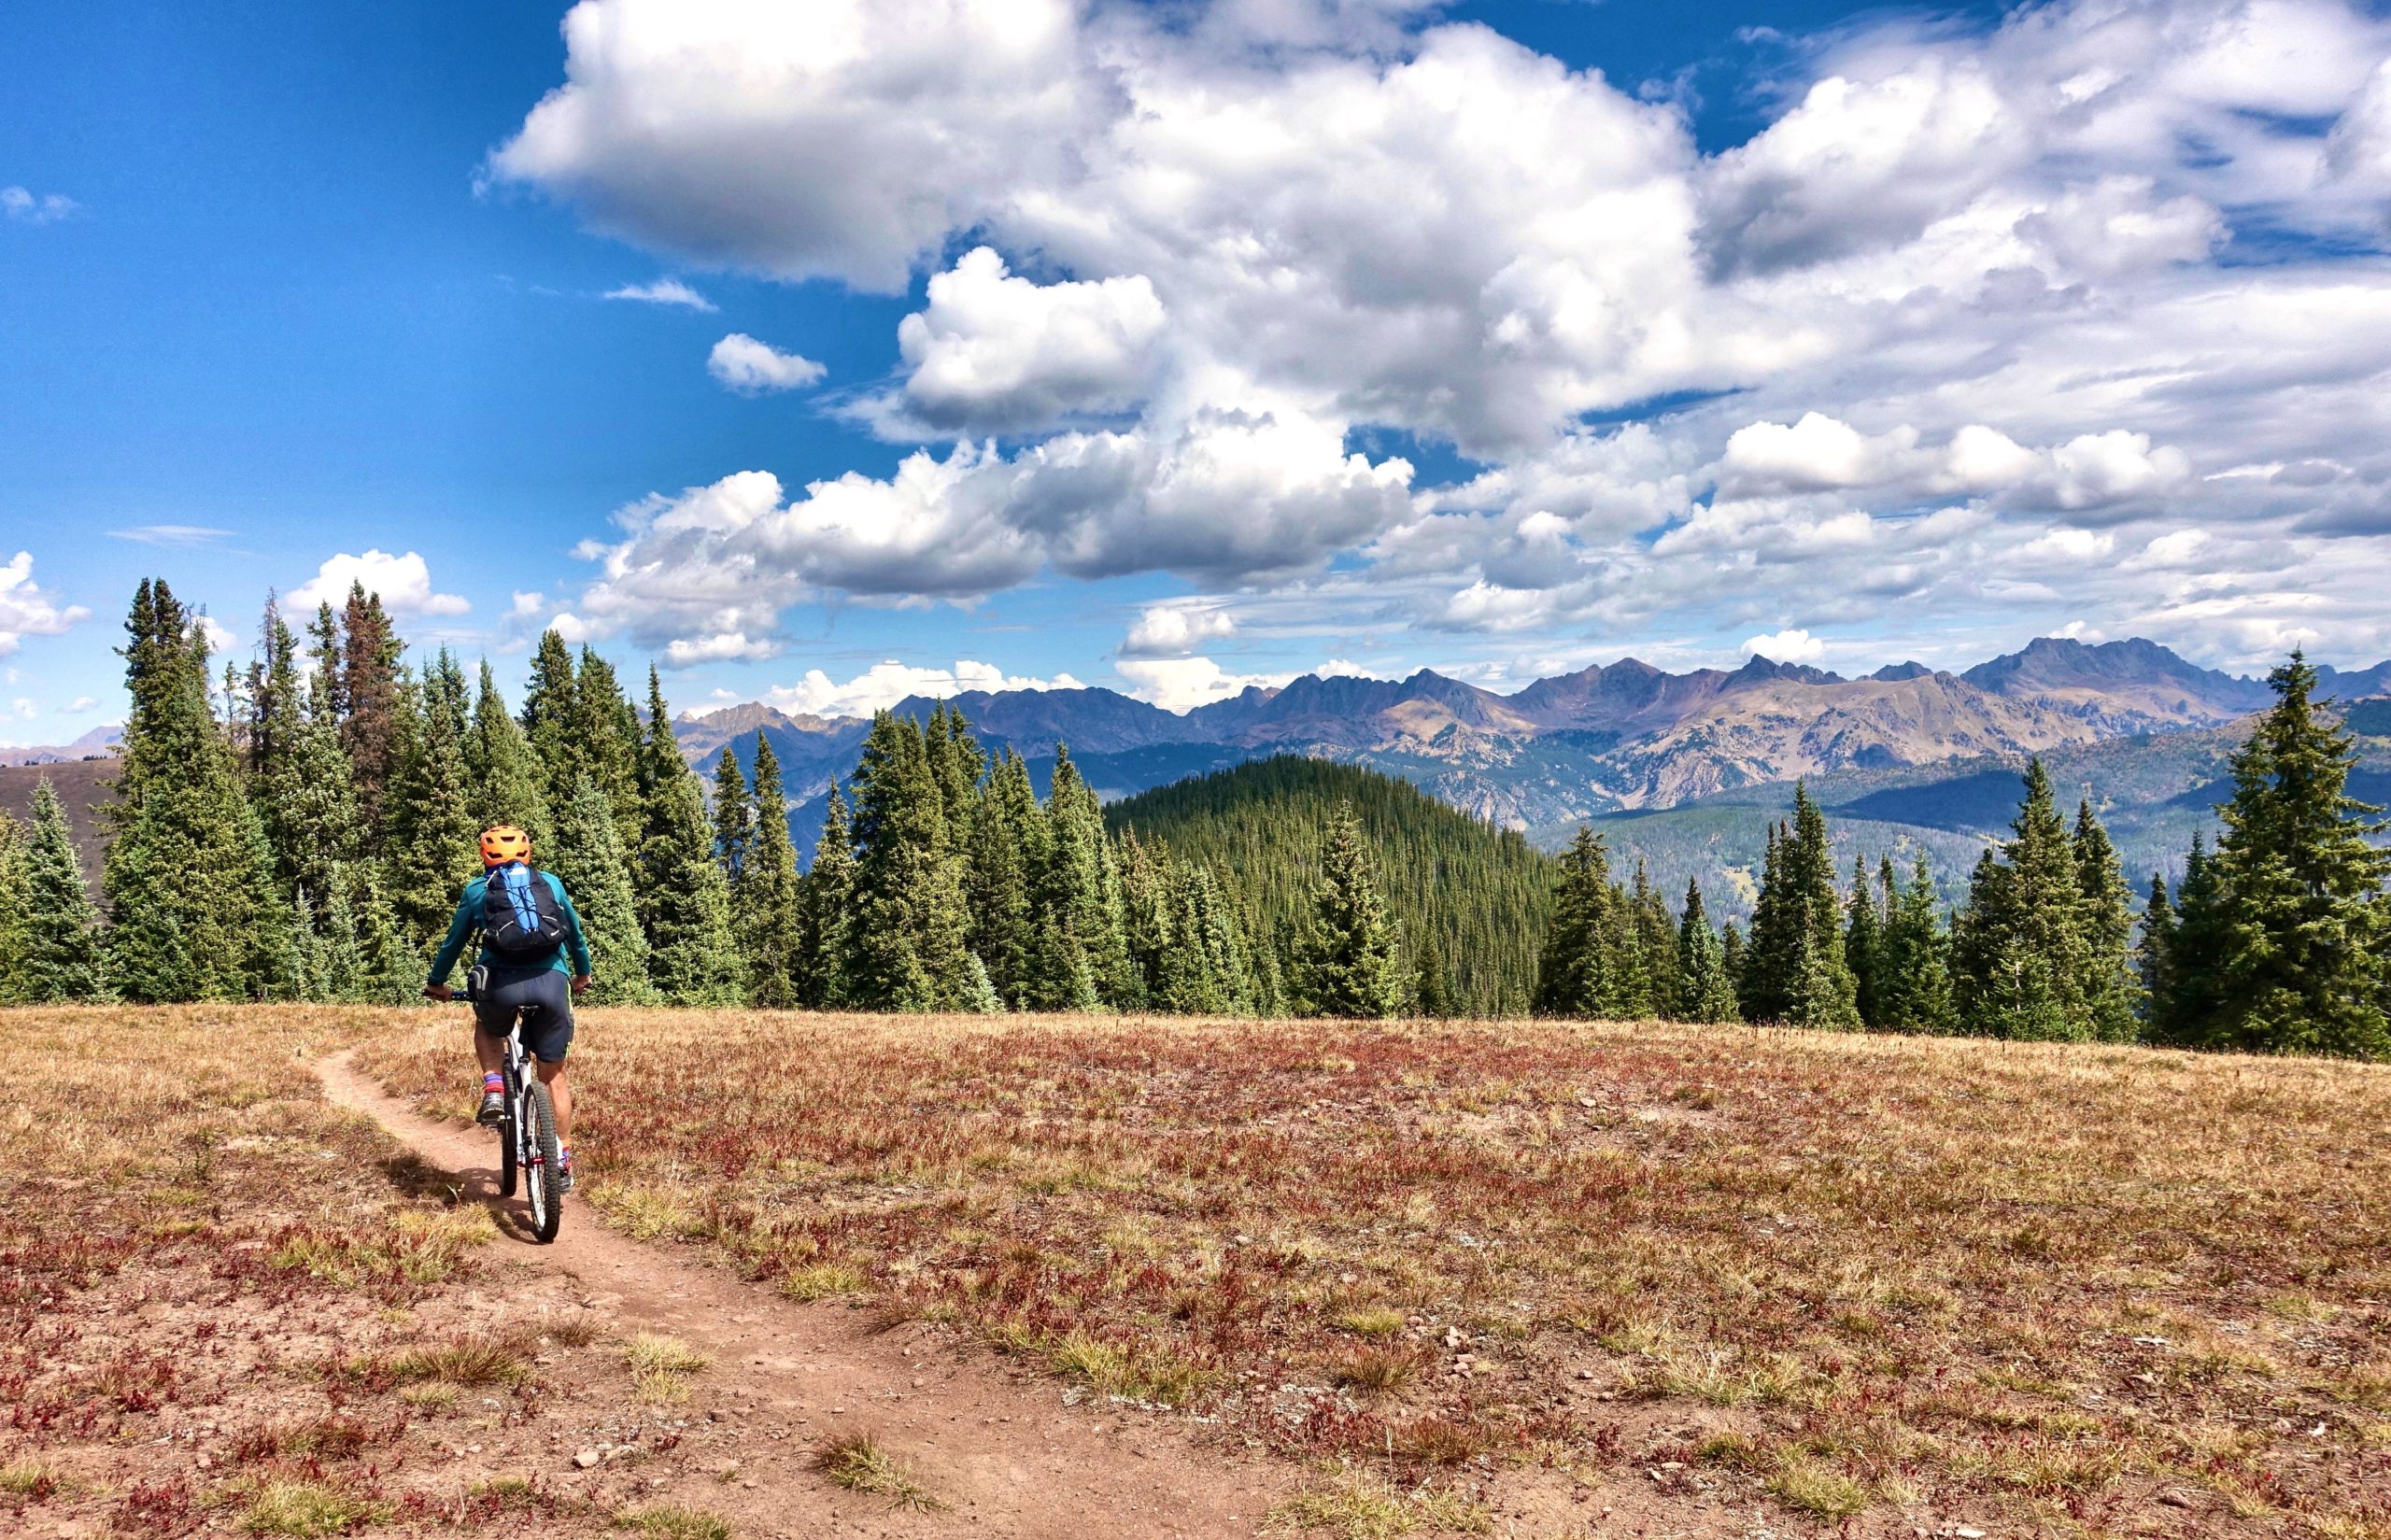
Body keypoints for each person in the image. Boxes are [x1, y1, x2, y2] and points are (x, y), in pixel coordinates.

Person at [423, 825, 592, 1194]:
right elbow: (575, 935)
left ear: (485, 856)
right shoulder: (550, 883)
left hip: (499, 987)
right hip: (551, 984)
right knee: (554, 1077)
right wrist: (581, 975)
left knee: (487, 1027)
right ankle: (560, 1160)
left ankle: (495, 1087)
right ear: (528, 852)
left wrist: (437, 983)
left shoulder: (476, 891)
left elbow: (453, 944)